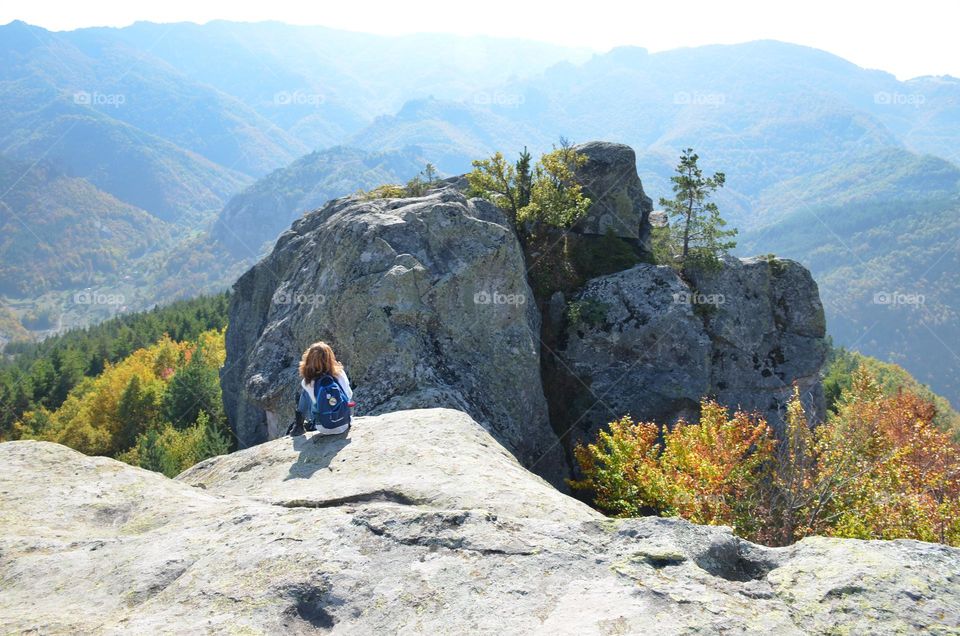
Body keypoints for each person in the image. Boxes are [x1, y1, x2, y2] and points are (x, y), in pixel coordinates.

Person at [292, 341, 353, 436]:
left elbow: (314, 402)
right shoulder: (340, 373)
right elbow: (349, 395)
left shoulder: (307, 381)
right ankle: (347, 417)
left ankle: (299, 426)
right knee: (346, 394)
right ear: (330, 357)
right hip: (345, 423)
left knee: (305, 394)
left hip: (323, 426)